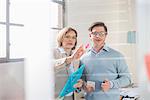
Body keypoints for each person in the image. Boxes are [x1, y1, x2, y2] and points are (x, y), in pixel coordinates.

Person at [80, 22, 131, 100]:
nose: (98, 36)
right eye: (95, 33)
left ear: (106, 35)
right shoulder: (83, 58)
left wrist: (111, 84)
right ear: (90, 35)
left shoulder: (117, 56)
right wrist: (84, 85)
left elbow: (127, 79)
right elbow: (81, 80)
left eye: (101, 33)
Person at [53, 27, 85, 100]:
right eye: (67, 37)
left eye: (73, 37)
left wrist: (79, 85)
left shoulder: (77, 58)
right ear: (61, 38)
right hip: (56, 97)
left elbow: (76, 79)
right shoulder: (53, 52)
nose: (70, 40)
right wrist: (70, 59)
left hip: (70, 97)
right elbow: (51, 66)